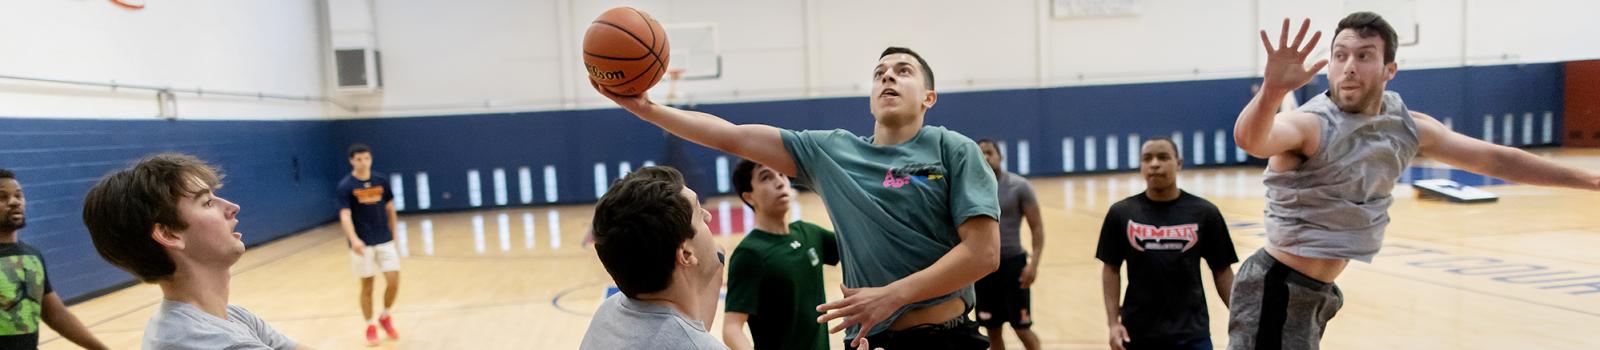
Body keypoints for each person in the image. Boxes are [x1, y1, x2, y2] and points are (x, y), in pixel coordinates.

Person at [1231, 13, 1600, 349]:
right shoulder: (1311, 124)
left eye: (1364, 56)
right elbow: (1253, 140)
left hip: (1314, 291)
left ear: (1389, 68)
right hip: (1276, 287)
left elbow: (1495, 159)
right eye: (1340, 55)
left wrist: (1591, 180)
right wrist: (1272, 92)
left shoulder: (1405, 124)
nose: (1349, 68)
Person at [592, 46, 1000, 349]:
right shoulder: (832, 153)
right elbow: (731, 136)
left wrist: (893, 295)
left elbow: (984, 253)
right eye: (879, 74)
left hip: (946, 338)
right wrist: (647, 108)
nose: (888, 77)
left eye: (903, 71)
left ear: (929, 97)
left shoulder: (954, 150)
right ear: (871, 97)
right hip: (870, 344)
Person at [82, 153, 307, 349]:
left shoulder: (232, 317)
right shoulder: (199, 341)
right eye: (207, 202)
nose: (231, 207)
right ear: (169, 234)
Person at [1095, 139, 1237, 350]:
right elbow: (1111, 269)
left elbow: (1222, 271)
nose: (1154, 164)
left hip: (1192, 332)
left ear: (1178, 163)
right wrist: (1113, 323)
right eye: (1147, 158)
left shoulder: (1204, 212)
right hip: (1138, 332)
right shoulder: (1121, 213)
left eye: (1163, 157)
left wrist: (1244, 318)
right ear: (1140, 166)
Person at [579, 166, 727, 350]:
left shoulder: (608, 315)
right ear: (686, 255)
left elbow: (686, 330)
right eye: (698, 212)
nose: (708, 216)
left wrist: (716, 260)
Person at [722, 159, 839, 350]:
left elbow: (857, 246)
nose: (779, 182)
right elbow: (732, 327)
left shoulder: (809, 233)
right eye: (766, 177)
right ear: (749, 197)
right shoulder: (750, 253)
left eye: (782, 174)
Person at [0, 169, 109, 350]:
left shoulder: (31, 256)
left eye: (18, 196)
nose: (14, 202)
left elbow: (56, 314)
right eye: (2, 197)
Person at [972, 140, 1044, 350]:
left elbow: (1037, 227)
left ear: (1000, 156)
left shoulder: (1019, 186)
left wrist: (1034, 264)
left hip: (1013, 265)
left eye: (989, 152)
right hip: (984, 269)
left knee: (1022, 328)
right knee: (992, 331)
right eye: (980, 153)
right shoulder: (971, 188)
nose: (985, 157)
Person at [335, 143, 401, 346]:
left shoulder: (381, 180)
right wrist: (354, 239)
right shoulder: (346, 186)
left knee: (393, 281)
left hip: (385, 239)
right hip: (363, 244)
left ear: (371, 159)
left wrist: (395, 234)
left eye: (366, 158)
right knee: (367, 286)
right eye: (358, 159)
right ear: (351, 161)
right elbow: (345, 215)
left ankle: (385, 316)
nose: (363, 162)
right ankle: (370, 325)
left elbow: (390, 208)